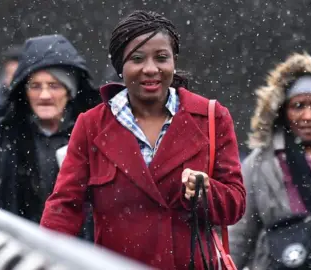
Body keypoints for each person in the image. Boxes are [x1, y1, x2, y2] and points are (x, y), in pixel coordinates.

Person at [40, 10, 245, 270]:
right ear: (120, 67)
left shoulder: (212, 118)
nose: (151, 69)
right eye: (137, 59)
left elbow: (235, 205)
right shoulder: (91, 125)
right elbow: (65, 206)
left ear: (173, 61)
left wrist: (205, 191)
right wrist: (43, 257)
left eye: (162, 58)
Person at [229, 53, 311, 269]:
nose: (308, 116)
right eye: (298, 106)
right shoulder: (261, 164)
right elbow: (239, 237)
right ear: (283, 111)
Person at [0, 34, 100, 233]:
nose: (44, 96)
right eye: (35, 86)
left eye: (54, 86)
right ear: (24, 91)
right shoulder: (1, 137)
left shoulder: (95, 137)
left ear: (70, 91)